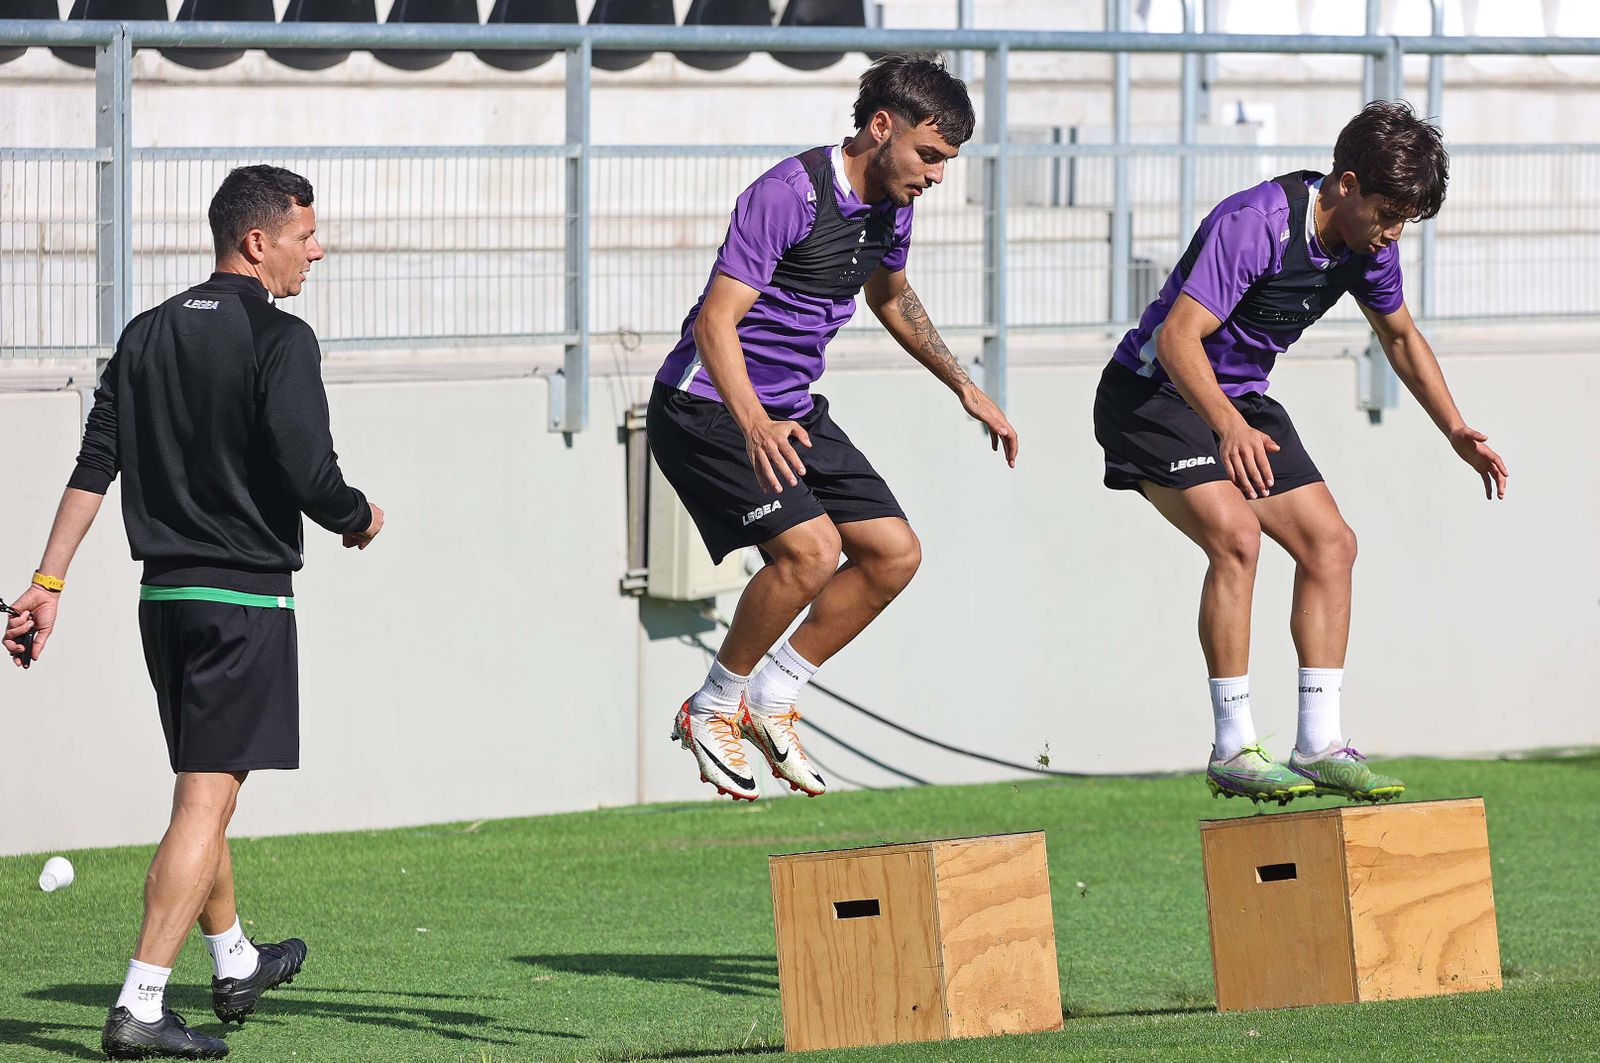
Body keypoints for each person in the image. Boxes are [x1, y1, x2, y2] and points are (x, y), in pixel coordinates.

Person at [4, 165, 384, 1060]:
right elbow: (308, 470)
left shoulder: (143, 333)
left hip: (164, 603)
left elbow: (97, 464)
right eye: (305, 235)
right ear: (258, 242)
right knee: (206, 802)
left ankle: (235, 957)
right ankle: (140, 1002)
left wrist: (47, 586)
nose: (315, 250)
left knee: (202, 794)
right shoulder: (280, 338)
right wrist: (357, 515)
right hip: (241, 601)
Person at [1093, 101, 1508, 805]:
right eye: (1387, 213)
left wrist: (1454, 428)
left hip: (1238, 402)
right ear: (1346, 185)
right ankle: (1233, 747)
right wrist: (1226, 425)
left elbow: (1401, 337)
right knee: (1236, 535)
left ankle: (1318, 743)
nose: (1393, 233)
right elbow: (1176, 339)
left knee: (1331, 545)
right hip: (1152, 396)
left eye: (1405, 218)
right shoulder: (1256, 223)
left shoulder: (1367, 244)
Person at [647, 54, 1018, 802]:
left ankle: (774, 693)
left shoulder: (893, 206)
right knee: (812, 552)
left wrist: (964, 386)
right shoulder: (787, 194)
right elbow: (718, 322)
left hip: (789, 407)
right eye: (930, 155)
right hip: (708, 407)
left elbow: (892, 296)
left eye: (946, 162)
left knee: (893, 554)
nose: (937, 175)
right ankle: (715, 705)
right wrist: (753, 424)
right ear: (881, 127)